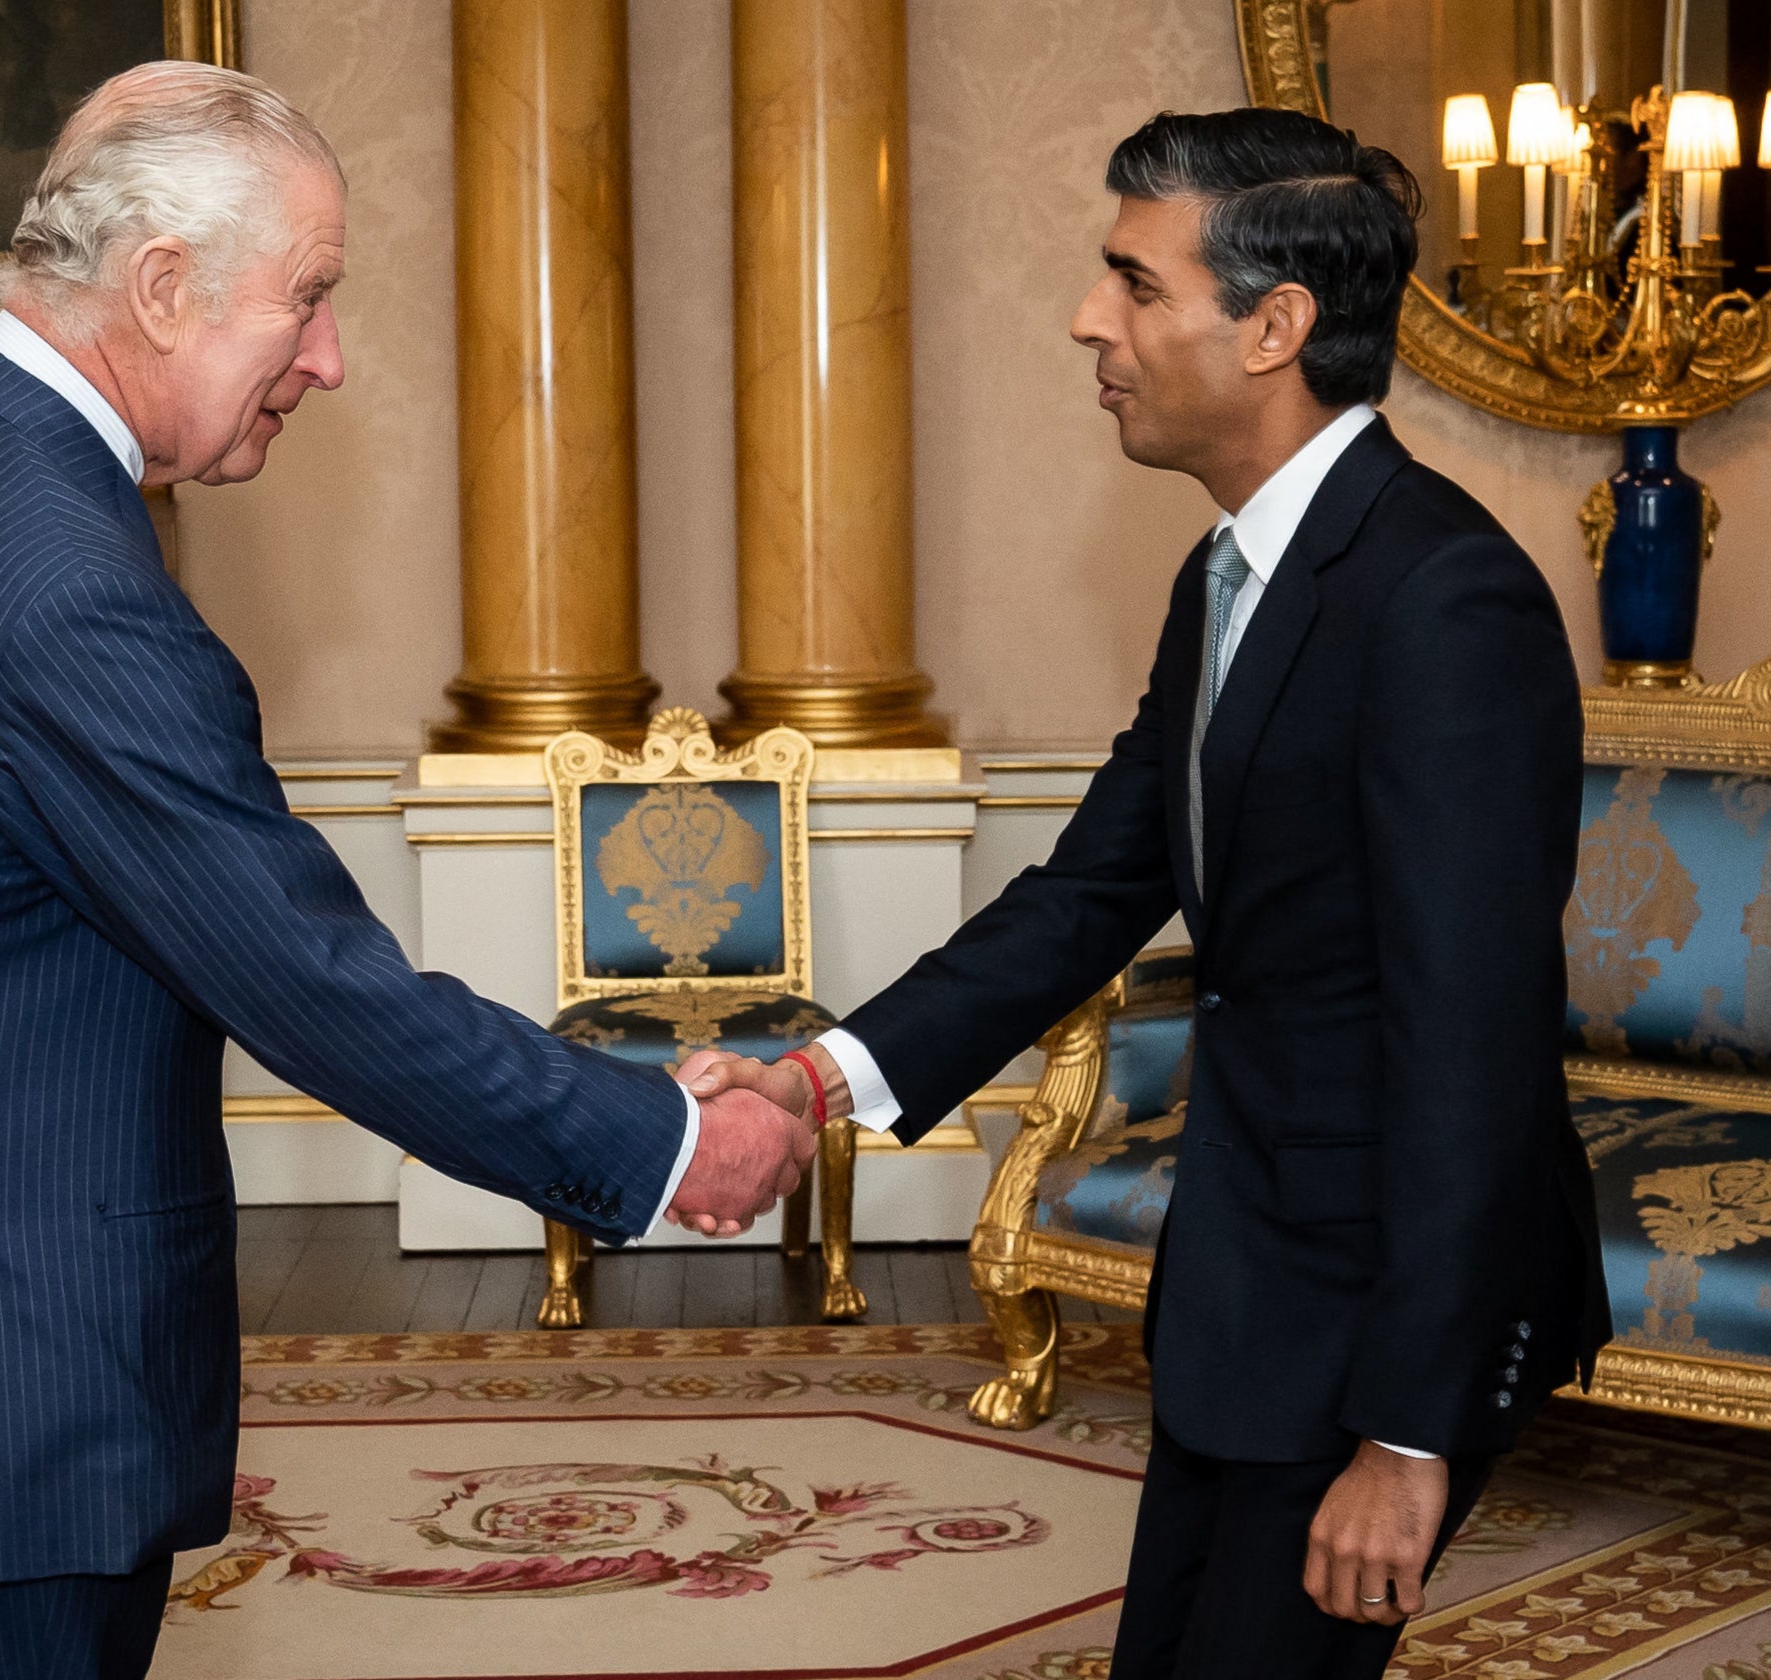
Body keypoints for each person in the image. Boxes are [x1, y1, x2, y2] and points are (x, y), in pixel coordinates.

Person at [0, 61, 812, 1680]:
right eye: (305, 297)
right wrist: (666, 1143)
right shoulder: (62, 591)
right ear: (162, 288)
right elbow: (306, 978)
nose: (328, 356)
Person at [684, 107, 1611, 1679]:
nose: (1085, 320)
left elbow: (1478, 1046)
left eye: (1132, 281)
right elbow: (1089, 890)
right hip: (1253, 1267)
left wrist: (1404, 1434)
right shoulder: (1230, 572)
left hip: (1377, 1299)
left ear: (1274, 328)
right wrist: (812, 1079)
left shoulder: (1439, 599)